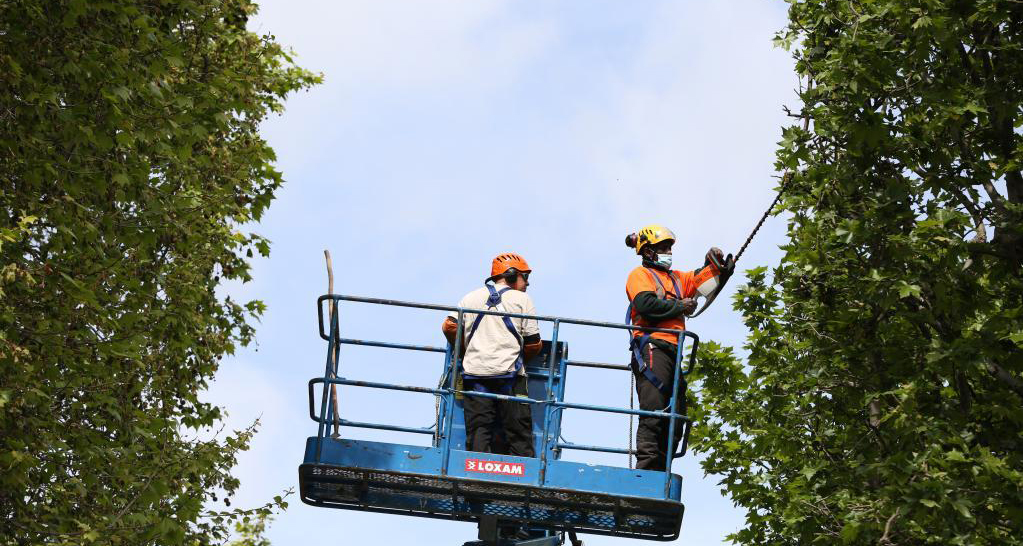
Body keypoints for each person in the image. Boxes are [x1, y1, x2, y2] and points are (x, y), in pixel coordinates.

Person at [624, 225, 726, 471]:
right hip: (652, 346)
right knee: (654, 410)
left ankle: (662, 469)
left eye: (669, 247)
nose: (668, 252)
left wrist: (716, 265)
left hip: (673, 351)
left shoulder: (677, 278)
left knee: (676, 415)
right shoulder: (640, 275)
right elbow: (646, 304)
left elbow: (702, 281)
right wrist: (680, 306)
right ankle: (646, 471)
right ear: (648, 252)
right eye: (662, 248)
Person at [441, 253, 542, 457]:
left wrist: (464, 352)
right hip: (511, 376)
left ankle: (476, 476)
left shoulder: (470, 297)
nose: (528, 284)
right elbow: (534, 343)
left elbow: (449, 326)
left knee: (478, 431)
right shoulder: (522, 299)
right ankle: (523, 481)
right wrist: (521, 359)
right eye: (525, 277)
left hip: (474, 375)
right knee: (519, 434)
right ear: (512, 275)